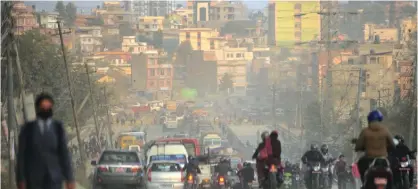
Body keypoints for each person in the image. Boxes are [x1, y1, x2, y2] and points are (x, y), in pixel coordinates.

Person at [16, 93, 75, 189]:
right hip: (33, 179)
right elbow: (22, 156)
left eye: (49, 106)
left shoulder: (57, 127)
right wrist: (20, 179)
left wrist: (69, 178)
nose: (46, 109)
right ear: (38, 108)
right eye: (43, 106)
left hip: (54, 179)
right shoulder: (28, 129)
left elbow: (64, 154)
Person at [355, 110, 395, 188]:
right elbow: (393, 145)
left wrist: (362, 147)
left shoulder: (365, 131)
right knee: (393, 168)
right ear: (380, 120)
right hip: (383, 159)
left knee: (360, 163)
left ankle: (364, 183)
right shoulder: (385, 130)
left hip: (368, 159)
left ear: (369, 120)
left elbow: (358, 146)